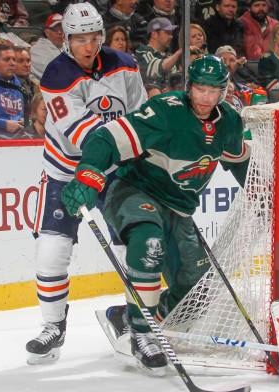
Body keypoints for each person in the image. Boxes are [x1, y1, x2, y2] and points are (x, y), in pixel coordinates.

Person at [60, 55, 250, 373]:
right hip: (136, 191)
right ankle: (142, 334)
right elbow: (107, 137)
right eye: (199, 88)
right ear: (189, 87)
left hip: (179, 208)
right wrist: (88, 176)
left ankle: (142, 314)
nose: (205, 97)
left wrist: (260, 192)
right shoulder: (165, 111)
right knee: (149, 244)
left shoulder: (229, 122)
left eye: (212, 90)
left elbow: (240, 162)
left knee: (199, 289)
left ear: (223, 91)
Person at [24, 2, 147, 365]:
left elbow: (141, 116)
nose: (88, 46)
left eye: (94, 37)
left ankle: (138, 325)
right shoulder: (56, 75)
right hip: (66, 172)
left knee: (131, 248)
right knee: (51, 251)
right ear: (67, 39)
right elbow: (81, 136)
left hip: (114, 173)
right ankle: (52, 327)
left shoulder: (125, 65)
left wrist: (141, 155)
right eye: (80, 39)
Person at [134, 17, 183, 87]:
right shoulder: (142, 51)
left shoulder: (169, 56)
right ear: (154, 34)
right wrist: (179, 52)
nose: (171, 37)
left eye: (171, 33)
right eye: (167, 33)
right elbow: (156, 70)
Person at [30, 13, 64, 80]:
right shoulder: (38, 50)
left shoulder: (67, 46)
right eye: (57, 29)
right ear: (47, 32)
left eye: (63, 29)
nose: (61, 33)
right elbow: (56, 75)